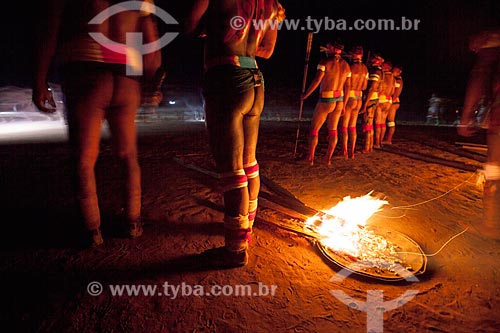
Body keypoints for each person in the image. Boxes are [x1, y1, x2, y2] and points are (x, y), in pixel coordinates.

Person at [32, 0, 163, 246]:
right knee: (128, 155)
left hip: (86, 72)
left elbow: (50, 30)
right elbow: (152, 49)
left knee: (84, 158)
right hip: (126, 76)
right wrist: (151, 83)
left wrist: (39, 80)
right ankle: (133, 222)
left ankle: (92, 229)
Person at [185, 0, 284, 267]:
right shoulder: (272, 5)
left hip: (226, 77)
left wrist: (213, 31)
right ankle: (244, 229)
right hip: (254, 77)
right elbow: (267, 49)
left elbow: (188, 27)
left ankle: (235, 250)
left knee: (230, 169)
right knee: (249, 162)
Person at [458, 28, 500, 239]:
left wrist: (467, 116)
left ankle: (491, 225)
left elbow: (480, 74)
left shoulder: (493, 40)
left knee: (494, 169)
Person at [301, 40, 351, 166]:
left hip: (326, 99)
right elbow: (348, 87)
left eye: (328, 48)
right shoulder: (346, 65)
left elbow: (317, 79)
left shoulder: (325, 62)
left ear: (332, 49)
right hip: (339, 100)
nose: (326, 50)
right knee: (333, 130)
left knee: (314, 130)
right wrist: (344, 105)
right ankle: (327, 159)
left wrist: (306, 95)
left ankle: (310, 157)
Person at [341, 45, 368, 159]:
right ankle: (352, 150)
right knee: (352, 126)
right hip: (359, 98)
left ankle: (344, 151)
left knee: (344, 126)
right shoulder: (365, 69)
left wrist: (343, 103)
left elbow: (346, 85)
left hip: (350, 97)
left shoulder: (350, 67)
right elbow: (365, 86)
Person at [360, 53, 384, 153]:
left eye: (372, 60)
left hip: (371, 99)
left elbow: (371, 88)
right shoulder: (380, 71)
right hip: (375, 98)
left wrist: (365, 104)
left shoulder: (376, 71)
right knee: (370, 123)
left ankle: (366, 147)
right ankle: (369, 146)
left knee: (367, 122)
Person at [374, 60, 394, 148]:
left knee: (378, 122)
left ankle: (377, 143)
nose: (382, 66)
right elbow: (393, 90)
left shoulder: (383, 75)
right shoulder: (393, 77)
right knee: (383, 122)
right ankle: (380, 141)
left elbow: (380, 87)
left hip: (381, 99)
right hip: (389, 100)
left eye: (384, 65)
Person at [383, 64, 403, 144]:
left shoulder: (398, 80)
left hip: (394, 102)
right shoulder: (394, 79)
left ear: (399, 72)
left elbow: (397, 92)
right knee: (388, 120)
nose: (392, 72)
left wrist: (392, 100)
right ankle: (386, 137)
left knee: (390, 120)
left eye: (394, 71)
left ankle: (389, 139)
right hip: (393, 101)